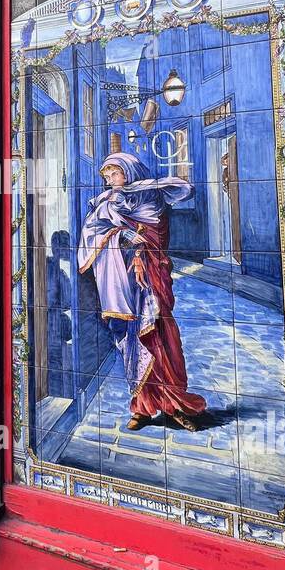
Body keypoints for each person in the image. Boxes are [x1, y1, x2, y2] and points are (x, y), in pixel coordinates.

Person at [78, 151, 206, 433]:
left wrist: (138, 238)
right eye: (107, 176)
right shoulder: (107, 202)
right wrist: (120, 234)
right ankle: (143, 406)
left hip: (151, 278)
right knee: (132, 339)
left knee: (161, 336)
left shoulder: (151, 200)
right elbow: (91, 233)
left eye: (115, 174)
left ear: (130, 172)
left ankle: (174, 405)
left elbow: (157, 237)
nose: (111, 180)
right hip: (124, 283)